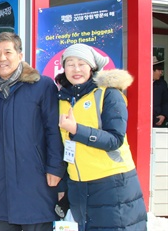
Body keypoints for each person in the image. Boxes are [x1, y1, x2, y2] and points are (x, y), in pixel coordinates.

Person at [0, 32, 65, 230]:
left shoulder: (42, 85)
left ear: (20, 55)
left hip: (35, 177)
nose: (2, 58)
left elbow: (53, 130)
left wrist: (55, 168)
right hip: (1, 178)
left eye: (7, 52)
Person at [56, 43, 147, 230]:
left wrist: (76, 129)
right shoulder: (63, 98)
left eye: (82, 63)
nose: (76, 69)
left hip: (112, 182)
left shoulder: (109, 94)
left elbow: (115, 139)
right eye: (70, 64)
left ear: (92, 67)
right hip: (79, 184)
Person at [153, 56, 168, 127]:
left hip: (157, 120)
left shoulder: (162, 84)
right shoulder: (140, 82)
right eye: (158, 70)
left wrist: (163, 115)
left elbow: (165, 101)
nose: (161, 73)